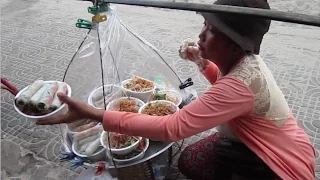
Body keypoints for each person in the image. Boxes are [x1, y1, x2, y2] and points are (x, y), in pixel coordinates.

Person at [37, 0, 316, 179]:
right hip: (259, 141)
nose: (200, 35)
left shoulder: (239, 85)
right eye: (204, 24)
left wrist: (97, 115)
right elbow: (225, 83)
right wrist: (202, 61)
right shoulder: (246, 63)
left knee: (192, 162)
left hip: (280, 160)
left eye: (211, 30)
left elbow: (173, 128)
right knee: (193, 161)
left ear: (234, 43)